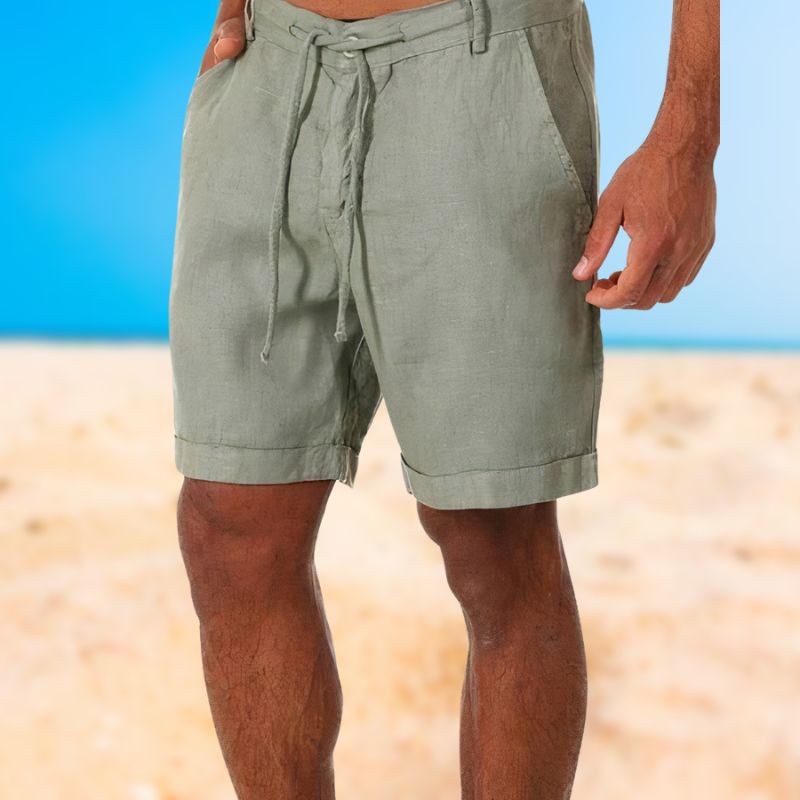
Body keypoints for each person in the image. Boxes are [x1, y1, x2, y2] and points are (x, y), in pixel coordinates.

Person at [168, 0, 719, 796]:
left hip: (480, 64)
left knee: (491, 534)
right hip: (267, 67)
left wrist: (688, 134)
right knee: (228, 525)